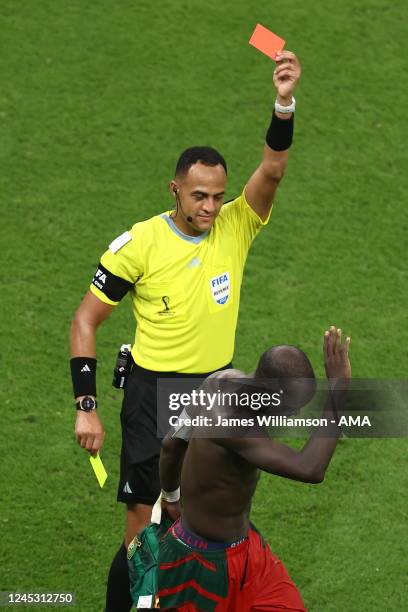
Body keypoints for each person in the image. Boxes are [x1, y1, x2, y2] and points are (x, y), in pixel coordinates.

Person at [69, 49, 301, 611]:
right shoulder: (142, 243)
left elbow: (271, 168)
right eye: (199, 195)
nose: (212, 206)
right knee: (143, 516)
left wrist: (284, 101)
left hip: (215, 393)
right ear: (173, 189)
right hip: (153, 392)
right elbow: (85, 319)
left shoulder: (236, 226)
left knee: (205, 514)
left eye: (219, 195)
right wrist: (85, 404)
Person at [158, 326, 351, 611]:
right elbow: (311, 469)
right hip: (203, 565)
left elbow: (172, 445)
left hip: (248, 552)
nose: (294, 414)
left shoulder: (219, 381)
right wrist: (340, 389)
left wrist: (170, 494)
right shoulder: (234, 425)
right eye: (291, 406)